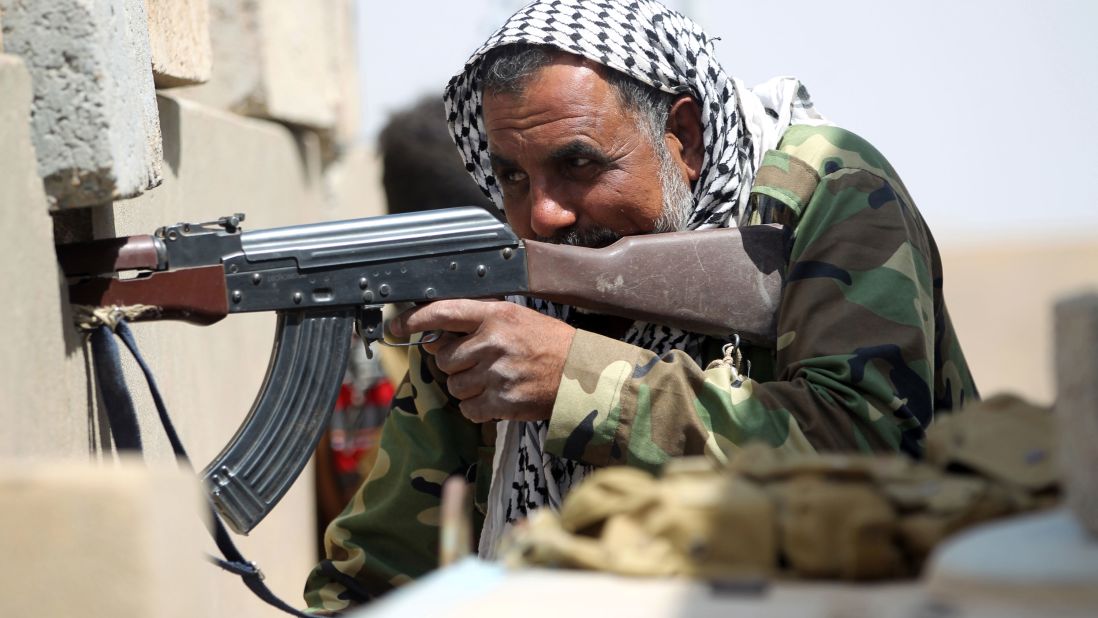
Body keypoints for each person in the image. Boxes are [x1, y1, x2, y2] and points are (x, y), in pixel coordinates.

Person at [303, 0, 978, 612]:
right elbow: (384, 561)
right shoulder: (509, 282)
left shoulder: (828, 191)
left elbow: (869, 451)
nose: (543, 214)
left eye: (579, 165)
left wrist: (578, 380)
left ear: (682, 134)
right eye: (511, 175)